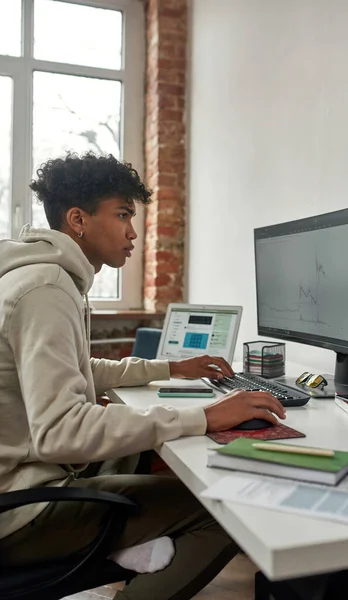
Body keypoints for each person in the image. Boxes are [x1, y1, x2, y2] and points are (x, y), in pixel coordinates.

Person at [0, 152, 286, 600]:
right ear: (78, 219)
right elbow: (61, 431)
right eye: (122, 215)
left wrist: (171, 367)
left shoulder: (44, 277)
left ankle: (130, 548)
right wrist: (205, 417)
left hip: (22, 480)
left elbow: (81, 370)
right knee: (225, 510)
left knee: (132, 442)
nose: (133, 232)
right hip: (19, 511)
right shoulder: (47, 289)